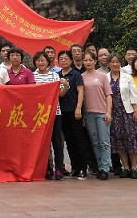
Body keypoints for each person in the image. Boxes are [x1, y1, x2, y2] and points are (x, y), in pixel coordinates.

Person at [106, 53, 137, 179]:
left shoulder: (127, 77)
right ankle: (125, 167)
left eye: (117, 62)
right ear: (108, 64)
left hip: (127, 112)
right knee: (118, 140)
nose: (115, 64)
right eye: (112, 62)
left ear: (120, 63)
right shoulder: (105, 78)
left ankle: (134, 167)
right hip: (113, 113)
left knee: (131, 139)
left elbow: (134, 94)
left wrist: (136, 110)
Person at [33, 51, 66, 180]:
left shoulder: (54, 76)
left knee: (57, 142)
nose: (41, 63)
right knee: (42, 143)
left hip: (55, 113)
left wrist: (66, 86)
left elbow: (61, 93)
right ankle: (46, 168)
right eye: (38, 60)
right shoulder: (32, 76)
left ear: (48, 62)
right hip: (39, 115)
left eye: (43, 60)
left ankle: (59, 168)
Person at [57, 50, 88, 179]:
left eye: (66, 58)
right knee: (69, 140)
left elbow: (81, 92)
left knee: (79, 139)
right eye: (61, 59)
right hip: (62, 111)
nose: (63, 61)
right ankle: (74, 167)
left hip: (74, 110)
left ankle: (83, 168)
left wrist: (79, 108)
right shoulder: (57, 75)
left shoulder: (76, 74)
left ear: (71, 60)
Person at [81, 51, 112, 180]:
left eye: (90, 60)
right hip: (89, 113)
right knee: (95, 142)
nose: (88, 62)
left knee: (104, 141)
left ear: (95, 61)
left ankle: (105, 168)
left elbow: (108, 95)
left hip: (102, 112)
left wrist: (108, 112)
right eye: (86, 60)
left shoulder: (102, 76)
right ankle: (100, 167)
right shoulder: (81, 76)